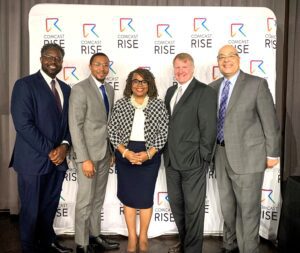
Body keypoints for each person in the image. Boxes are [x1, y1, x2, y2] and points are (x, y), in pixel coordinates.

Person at [209, 45, 281, 253]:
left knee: (248, 210)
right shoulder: (213, 87)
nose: (226, 60)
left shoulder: (256, 84)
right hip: (221, 155)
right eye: (221, 57)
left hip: (249, 157)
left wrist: (273, 153)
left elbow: (270, 121)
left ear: (238, 59)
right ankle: (229, 244)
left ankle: (249, 249)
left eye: (230, 56)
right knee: (227, 206)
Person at [10, 43, 73, 253]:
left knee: (49, 206)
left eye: (57, 59)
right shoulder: (24, 85)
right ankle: (29, 248)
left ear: (62, 62)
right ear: (41, 59)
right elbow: (23, 124)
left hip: (58, 161)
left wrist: (64, 147)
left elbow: (69, 124)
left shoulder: (66, 89)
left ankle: (47, 242)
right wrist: (51, 150)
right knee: (30, 210)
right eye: (49, 57)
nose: (53, 62)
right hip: (32, 160)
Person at [108, 68, 168, 253]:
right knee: (129, 198)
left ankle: (143, 237)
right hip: (125, 153)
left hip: (150, 154)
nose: (139, 85)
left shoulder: (158, 105)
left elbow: (163, 132)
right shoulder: (121, 104)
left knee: (145, 198)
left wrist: (149, 154)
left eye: (143, 81)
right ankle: (132, 237)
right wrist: (125, 153)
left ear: (149, 84)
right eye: (135, 81)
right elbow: (112, 130)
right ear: (130, 84)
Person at [164, 53, 217, 253]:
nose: (180, 71)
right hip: (171, 160)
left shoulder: (205, 92)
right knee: (177, 206)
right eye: (177, 67)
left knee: (194, 210)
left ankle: (193, 249)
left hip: (193, 161)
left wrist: (203, 157)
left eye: (184, 67)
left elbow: (209, 128)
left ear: (193, 69)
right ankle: (185, 242)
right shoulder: (170, 92)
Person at [68, 53, 119, 253]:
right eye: (98, 65)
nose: (102, 69)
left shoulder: (109, 89)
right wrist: (84, 158)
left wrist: (112, 150)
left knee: (98, 199)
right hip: (87, 156)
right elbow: (75, 126)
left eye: (105, 65)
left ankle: (94, 235)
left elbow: (109, 124)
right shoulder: (80, 89)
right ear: (90, 66)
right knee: (84, 200)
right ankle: (82, 243)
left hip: (105, 153)